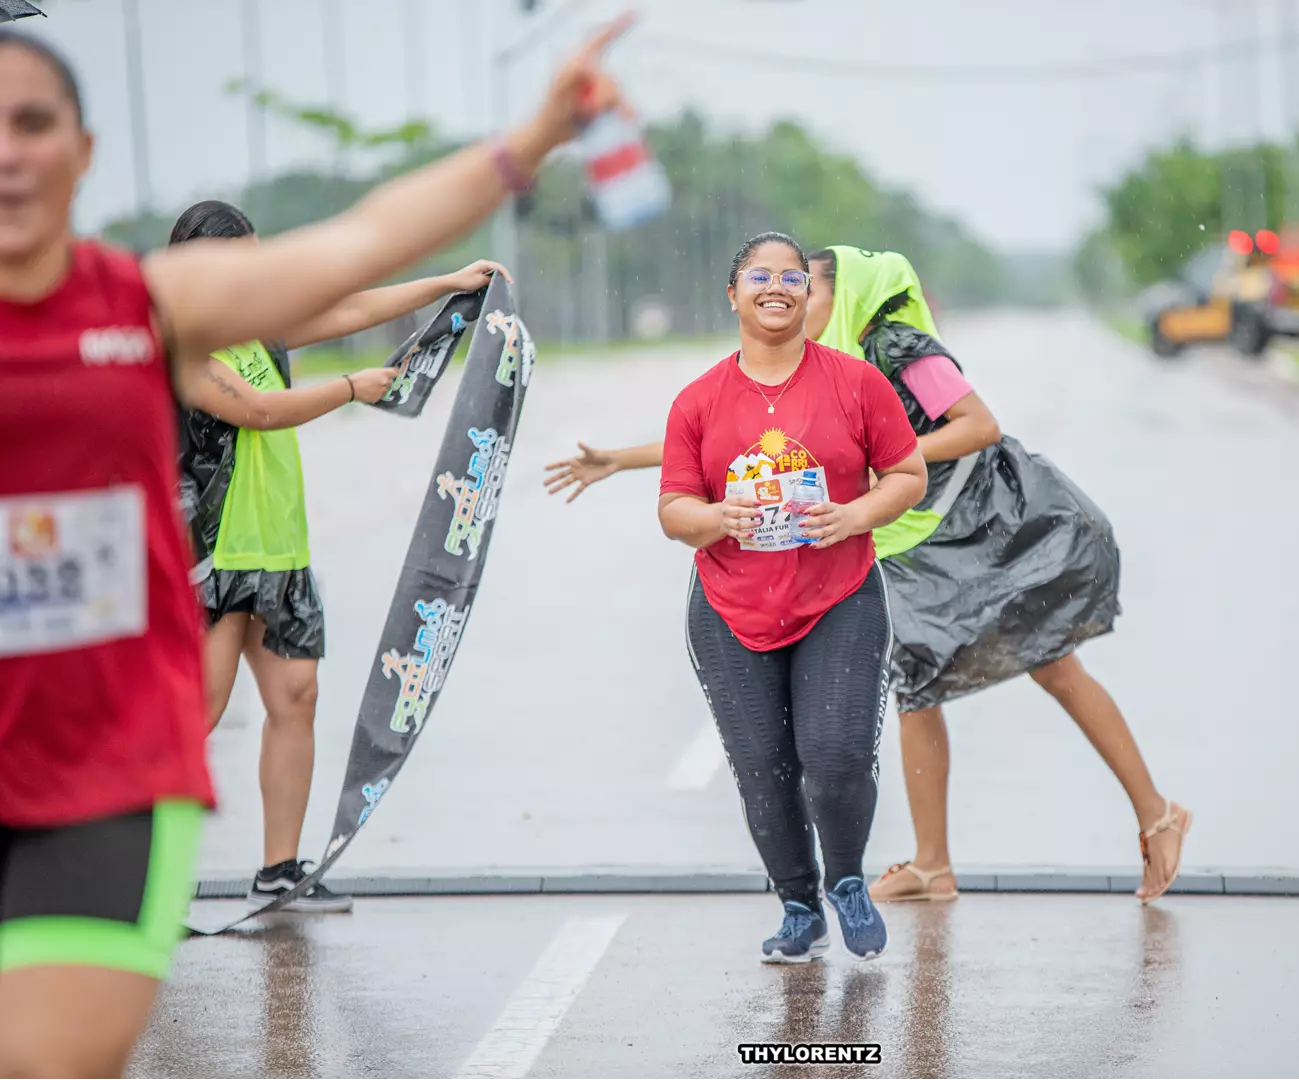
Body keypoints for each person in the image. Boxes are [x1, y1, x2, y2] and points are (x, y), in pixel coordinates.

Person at [0, 19, 631, 1079]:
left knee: (55, 1058)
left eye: (32, 123)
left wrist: (533, 139)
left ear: (85, 149)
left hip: (96, 770)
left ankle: (278, 864)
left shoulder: (151, 306)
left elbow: (358, 249)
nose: (9, 151)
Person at [546, 246, 1191, 905]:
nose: (794, 301)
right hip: (912, 543)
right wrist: (619, 460)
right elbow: (722, 438)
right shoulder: (819, 370)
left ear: (840, 293)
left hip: (980, 529)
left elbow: (979, 425)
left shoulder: (897, 348)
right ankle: (933, 866)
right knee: (916, 684)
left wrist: (886, 460)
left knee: (1053, 666)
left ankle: (1157, 814)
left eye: (808, 288)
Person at [169, 199, 510, 913]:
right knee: (196, 713)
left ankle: (280, 870)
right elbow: (259, 411)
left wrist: (447, 284)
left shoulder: (259, 326)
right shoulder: (184, 346)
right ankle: (122, 877)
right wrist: (351, 388)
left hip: (280, 548)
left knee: (296, 698)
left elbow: (349, 308)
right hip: (212, 556)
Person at [658, 232, 927, 963]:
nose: (775, 287)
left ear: (810, 295)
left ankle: (846, 881)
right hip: (730, 607)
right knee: (763, 769)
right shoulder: (698, 399)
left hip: (839, 595)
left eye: (791, 277)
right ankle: (799, 905)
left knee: (835, 758)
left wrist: (854, 515)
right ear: (732, 294)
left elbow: (908, 475)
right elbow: (673, 509)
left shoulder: (856, 383)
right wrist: (718, 518)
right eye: (759, 276)